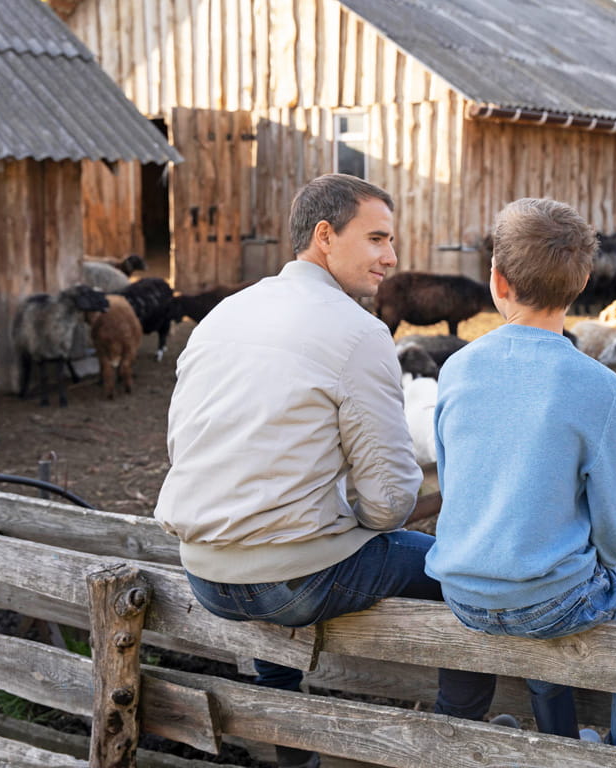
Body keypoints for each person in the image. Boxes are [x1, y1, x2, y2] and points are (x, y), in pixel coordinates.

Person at [154, 174, 443, 768]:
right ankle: (463, 731)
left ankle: (292, 750)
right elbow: (388, 504)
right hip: (296, 584)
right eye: (377, 239)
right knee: (455, 566)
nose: (391, 257)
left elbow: (184, 447)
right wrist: (351, 516)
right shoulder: (360, 332)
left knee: (284, 538)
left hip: (204, 572)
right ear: (325, 236)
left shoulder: (223, 315)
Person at [425, 197, 616, 752]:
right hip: (551, 599)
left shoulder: (457, 368)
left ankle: (557, 734)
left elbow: (451, 474)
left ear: (497, 280)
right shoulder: (601, 387)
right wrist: (603, 565)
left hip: (460, 590)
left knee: (543, 576)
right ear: (582, 282)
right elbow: (614, 522)